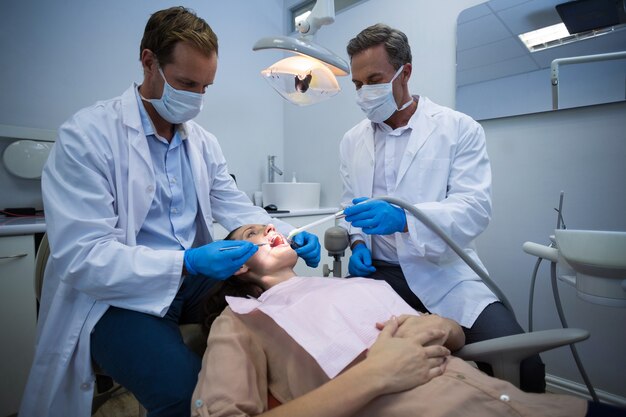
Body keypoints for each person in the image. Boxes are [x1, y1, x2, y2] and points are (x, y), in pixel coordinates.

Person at [19, 7, 320, 417]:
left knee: (286, 333)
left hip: (192, 278)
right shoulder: (87, 137)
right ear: (149, 62)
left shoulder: (202, 144)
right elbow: (83, 256)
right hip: (116, 295)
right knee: (190, 395)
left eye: (205, 87)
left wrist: (288, 232)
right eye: (186, 83)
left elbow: (235, 208)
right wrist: (186, 261)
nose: (196, 97)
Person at [191, 223, 623, 417]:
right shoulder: (243, 320)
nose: (267, 229)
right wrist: (374, 376)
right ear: (237, 267)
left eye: (268, 225)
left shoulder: (350, 286)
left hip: (524, 405)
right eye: (251, 234)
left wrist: (442, 327)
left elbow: (449, 331)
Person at [337, 23, 545, 392]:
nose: (364, 93)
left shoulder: (458, 128)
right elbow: (349, 204)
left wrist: (405, 219)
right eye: (357, 84)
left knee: (525, 369)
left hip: (445, 275)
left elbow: (474, 208)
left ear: (406, 72)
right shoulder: (352, 141)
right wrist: (356, 245)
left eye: (374, 79)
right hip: (378, 276)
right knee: (358, 365)